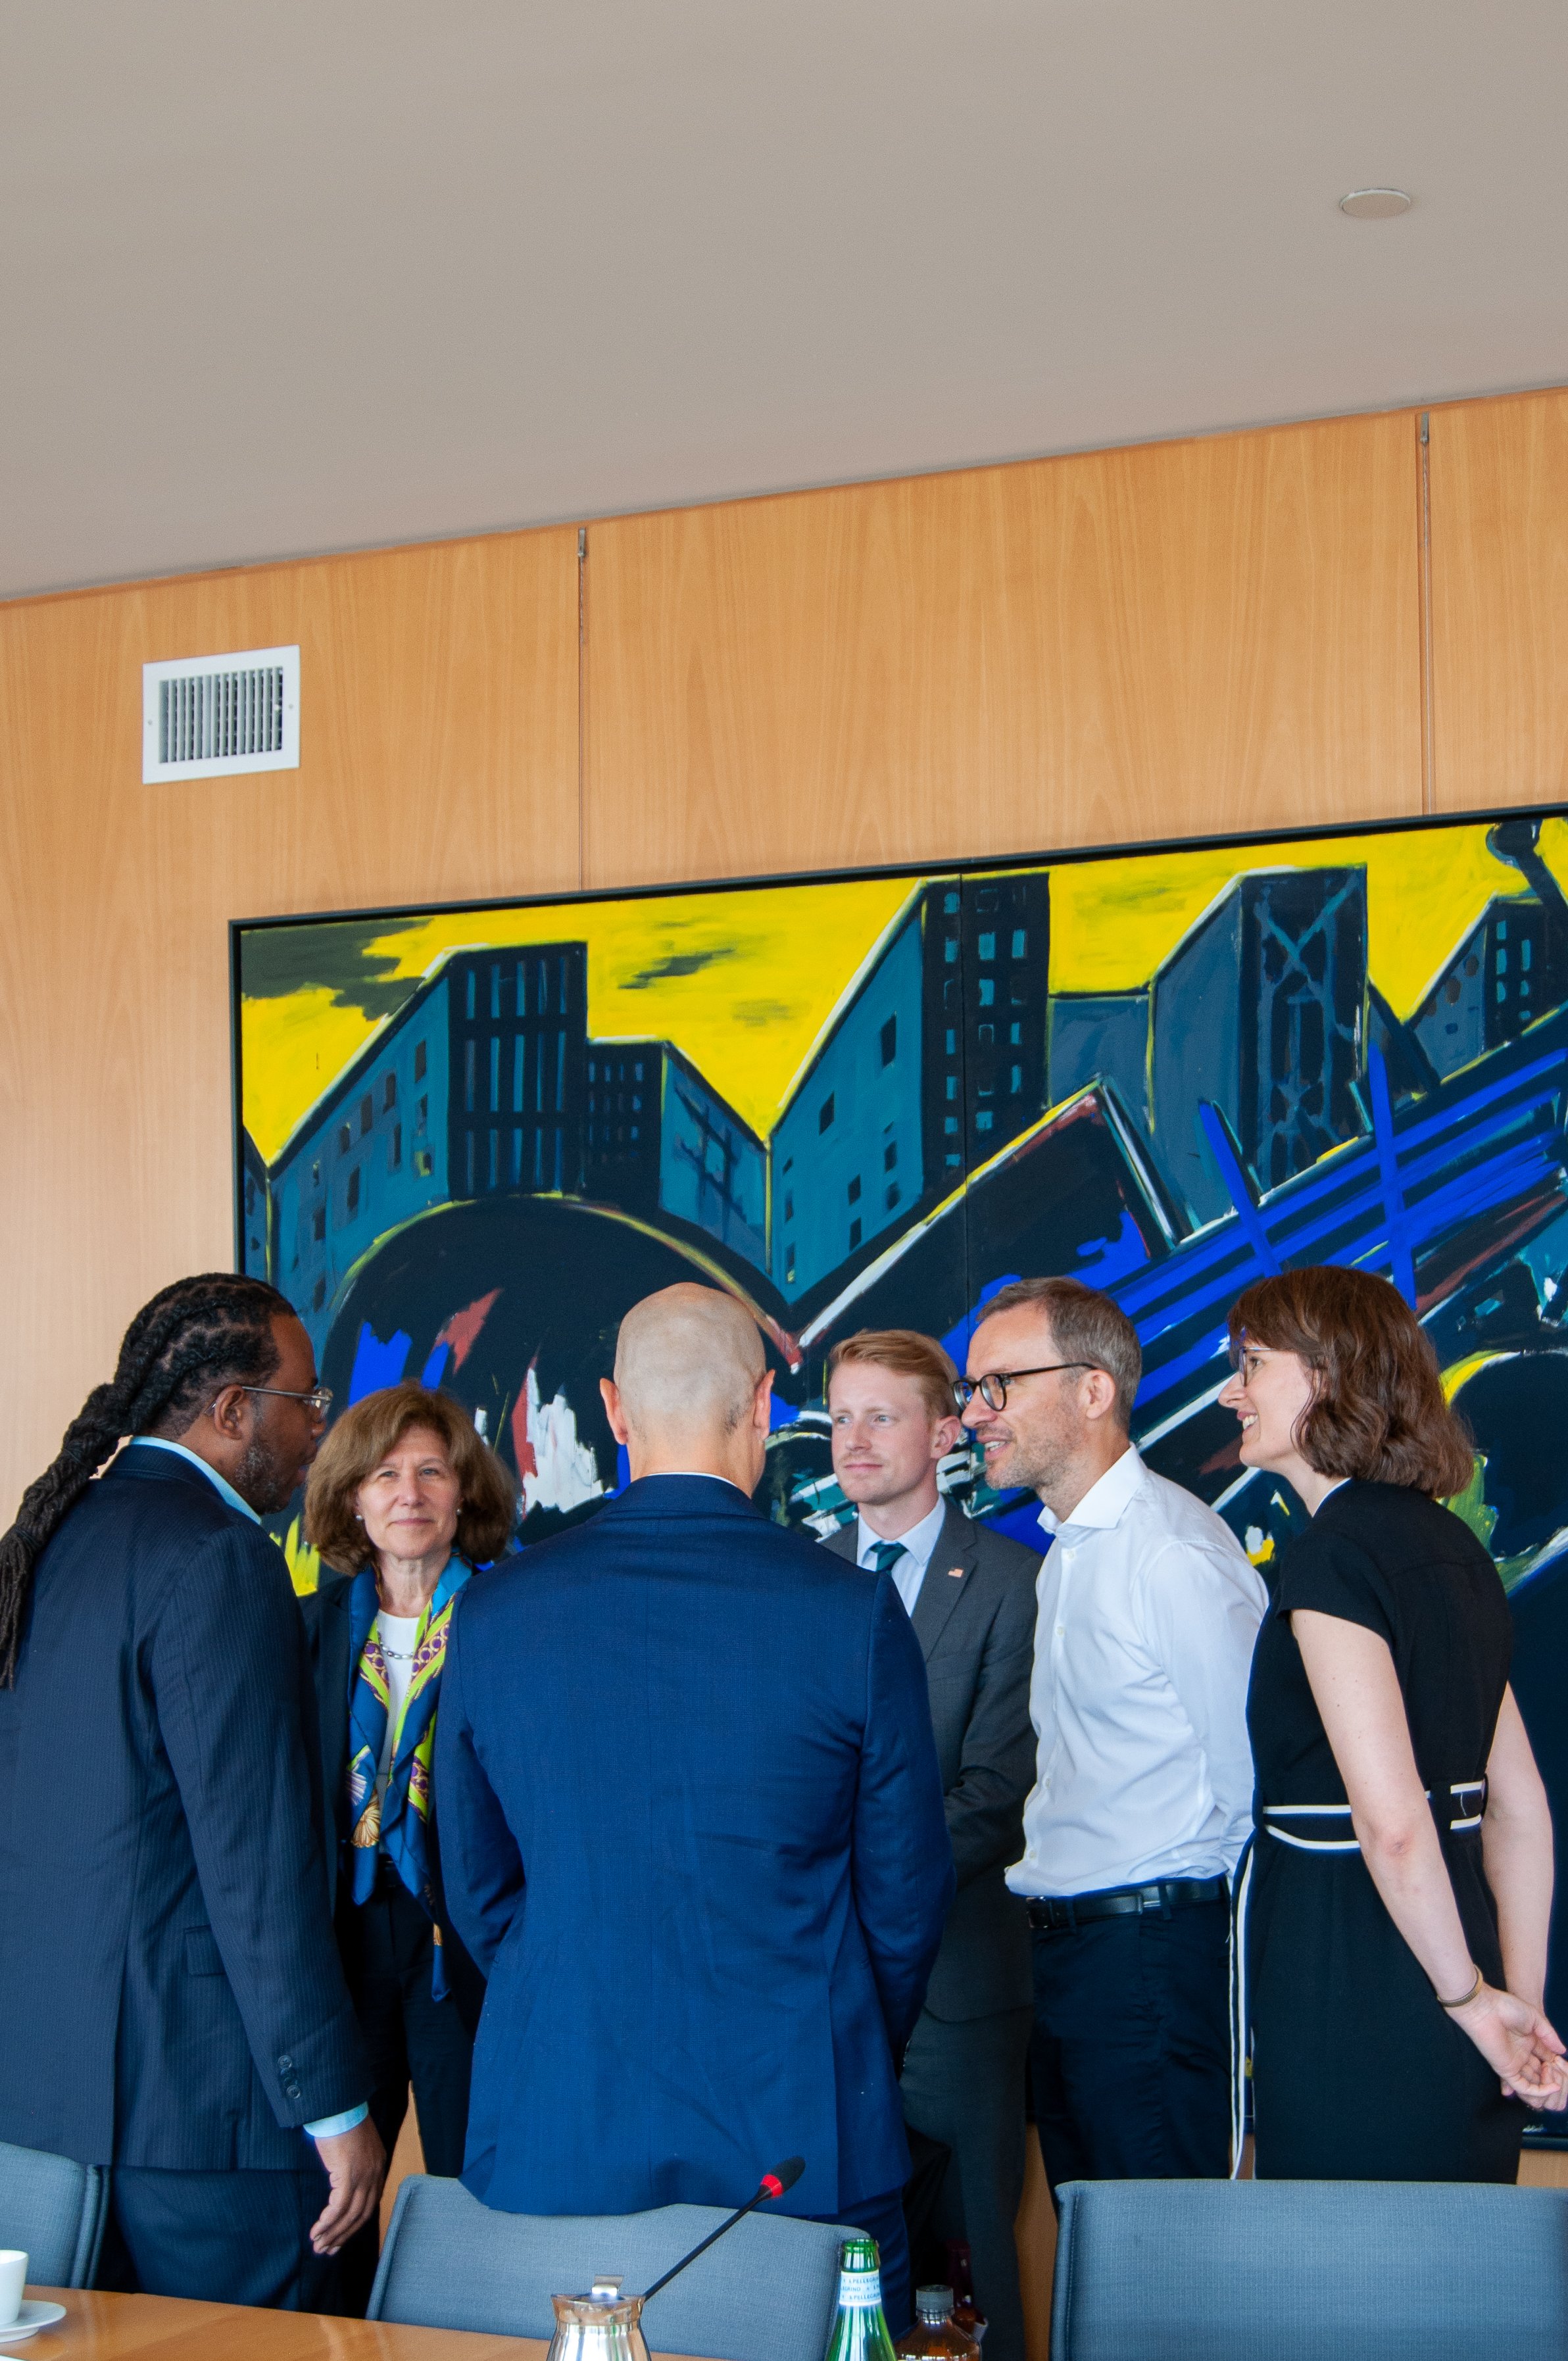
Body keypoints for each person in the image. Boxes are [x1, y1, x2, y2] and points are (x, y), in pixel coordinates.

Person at [436, 1282, 953, 2335]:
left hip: (561, 2123)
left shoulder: (494, 1612)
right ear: (763, 1405)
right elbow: (904, 1902)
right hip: (800, 2124)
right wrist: (834, 2035)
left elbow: (478, 1891)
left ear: (615, 1411)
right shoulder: (853, 1611)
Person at [0, 1275, 382, 2310]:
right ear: (229, 1411)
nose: (318, 1428)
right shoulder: (222, 1558)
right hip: (206, 2126)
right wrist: (335, 2107)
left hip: (41, 2122)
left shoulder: (45, 1545)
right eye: (306, 1403)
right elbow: (257, 1868)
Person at [1218, 1265, 1568, 2177]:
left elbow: (1395, 1827)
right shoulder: (1455, 1548)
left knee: (1346, 2288)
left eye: (1253, 1363)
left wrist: (1468, 2001)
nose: (1231, 1390)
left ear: (1327, 1374)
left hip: (1355, 1977)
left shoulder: (1333, 1559)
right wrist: (1511, 2003)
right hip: (1463, 1977)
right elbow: (1520, 1808)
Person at [958, 1275, 1265, 2192]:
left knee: (1160, 2285)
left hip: (1153, 1966)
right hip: (1073, 1963)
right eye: (975, 1387)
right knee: (1101, 2267)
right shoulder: (1069, 1551)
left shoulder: (1171, 1553)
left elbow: (1254, 1795)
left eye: (1000, 1384)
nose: (976, 1413)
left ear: (1093, 1391)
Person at [822, 1328, 1038, 2361]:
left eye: (882, 1415)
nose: (854, 1441)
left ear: (946, 1431)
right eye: (840, 1417)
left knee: (972, 2269)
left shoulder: (1009, 1579)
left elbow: (997, 1795)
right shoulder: (802, 1577)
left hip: (959, 1990)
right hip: (826, 1993)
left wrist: (855, 1880)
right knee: (837, 2267)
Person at [300, 1383, 515, 2307]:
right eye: (384, 1473)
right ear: (351, 1496)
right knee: (336, 2198)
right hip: (343, 1940)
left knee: (479, 2186)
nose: (410, 1491)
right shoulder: (309, 1629)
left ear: (465, 1491)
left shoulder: (510, 1618)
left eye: (432, 1469)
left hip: (459, 1938)